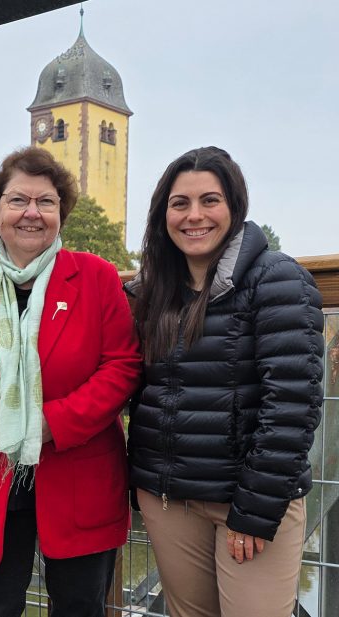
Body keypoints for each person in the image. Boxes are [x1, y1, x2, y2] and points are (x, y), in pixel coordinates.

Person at [0, 147, 141, 617]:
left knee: (79, 605)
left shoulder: (95, 278)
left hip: (78, 469)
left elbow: (123, 367)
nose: (31, 213)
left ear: (61, 214)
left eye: (46, 202)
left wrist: (54, 422)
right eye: (18, 201)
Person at [126, 146, 324, 617]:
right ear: (163, 214)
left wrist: (254, 511)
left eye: (209, 200)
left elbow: (293, 405)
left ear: (234, 207)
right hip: (169, 498)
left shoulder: (277, 279)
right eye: (180, 204)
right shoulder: (149, 291)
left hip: (246, 501)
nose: (195, 216)